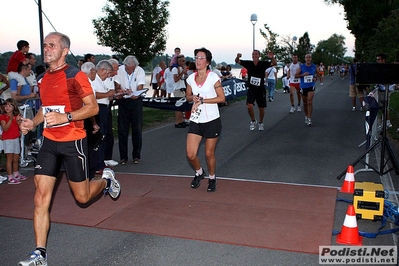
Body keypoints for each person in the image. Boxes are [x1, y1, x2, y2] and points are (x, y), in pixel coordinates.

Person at [18, 32, 120, 266]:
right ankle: (40, 254)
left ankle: (106, 181)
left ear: (64, 51)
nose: (47, 49)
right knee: (40, 198)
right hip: (49, 143)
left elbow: (93, 108)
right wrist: (32, 123)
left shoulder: (76, 76)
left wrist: (67, 116)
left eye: (52, 46)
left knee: (82, 197)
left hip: (73, 142)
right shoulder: (42, 78)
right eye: (45, 45)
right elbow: (45, 108)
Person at [185, 47, 225, 192]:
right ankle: (199, 172)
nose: (198, 60)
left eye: (201, 58)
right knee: (190, 153)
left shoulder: (213, 77)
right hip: (196, 120)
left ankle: (212, 177)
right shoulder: (190, 78)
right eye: (196, 58)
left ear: (207, 62)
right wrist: (193, 98)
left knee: (209, 154)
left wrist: (203, 101)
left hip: (212, 120)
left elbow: (222, 98)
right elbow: (188, 96)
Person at [114, 55, 145, 164]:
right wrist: (123, 91)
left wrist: (136, 93)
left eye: (132, 69)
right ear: (125, 65)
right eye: (128, 69)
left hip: (135, 102)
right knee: (122, 129)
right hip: (123, 101)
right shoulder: (120, 70)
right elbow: (116, 87)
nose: (130, 71)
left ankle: (136, 156)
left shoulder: (140, 70)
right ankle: (123, 157)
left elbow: (140, 87)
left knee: (137, 129)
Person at [235, 50, 276, 131]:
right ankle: (253, 120)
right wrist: (238, 56)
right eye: (253, 54)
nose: (254, 55)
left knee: (261, 108)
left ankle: (261, 122)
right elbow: (237, 61)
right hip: (251, 89)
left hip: (260, 89)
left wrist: (272, 57)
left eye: (256, 54)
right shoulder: (248, 63)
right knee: (249, 106)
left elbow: (274, 63)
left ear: (259, 55)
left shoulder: (263, 63)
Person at [0, 98, 25, 185]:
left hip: (15, 138)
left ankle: (16, 173)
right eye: (6, 105)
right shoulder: (3, 117)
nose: (7, 107)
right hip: (8, 139)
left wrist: (18, 120)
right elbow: (5, 128)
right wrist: (10, 119)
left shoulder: (16, 115)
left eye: (10, 105)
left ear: (14, 107)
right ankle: (10, 177)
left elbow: (20, 128)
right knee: (9, 158)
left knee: (16, 158)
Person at [103, 58, 120, 167]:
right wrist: (108, 95)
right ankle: (101, 158)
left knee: (109, 133)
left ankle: (107, 157)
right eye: (115, 70)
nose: (116, 72)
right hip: (99, 107)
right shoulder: (97, 79)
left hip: (107, 106)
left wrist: (115, 95)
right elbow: (95, 94)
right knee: (102, 133)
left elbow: (111, 94)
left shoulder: (110, 79)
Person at [295, 54, 317, 126]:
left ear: (311, 59)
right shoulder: (301, 67)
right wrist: (303, 75)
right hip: (303, 87)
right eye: (307, 57)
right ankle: (306, 115)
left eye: (309, 57)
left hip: (311, 85)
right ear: (305, 59)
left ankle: (309, 118)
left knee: (309, 102)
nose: (308, 59)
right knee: (305, 103)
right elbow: (295, 75)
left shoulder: (314, 66)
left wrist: (315, 78)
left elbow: (318, 75)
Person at [172, 54, 188, 128]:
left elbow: (185, 77)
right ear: (179, 61)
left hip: (182, 88)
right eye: (182, 61)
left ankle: (181, 121)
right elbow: (175, 79)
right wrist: (182, 73)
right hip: (178, 89)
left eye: (184, 61)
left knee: (181, 107)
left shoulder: (181, 68)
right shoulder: (175, 69)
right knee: (178, 107)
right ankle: (178, 122)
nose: (184, 62)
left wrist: (184, 72)